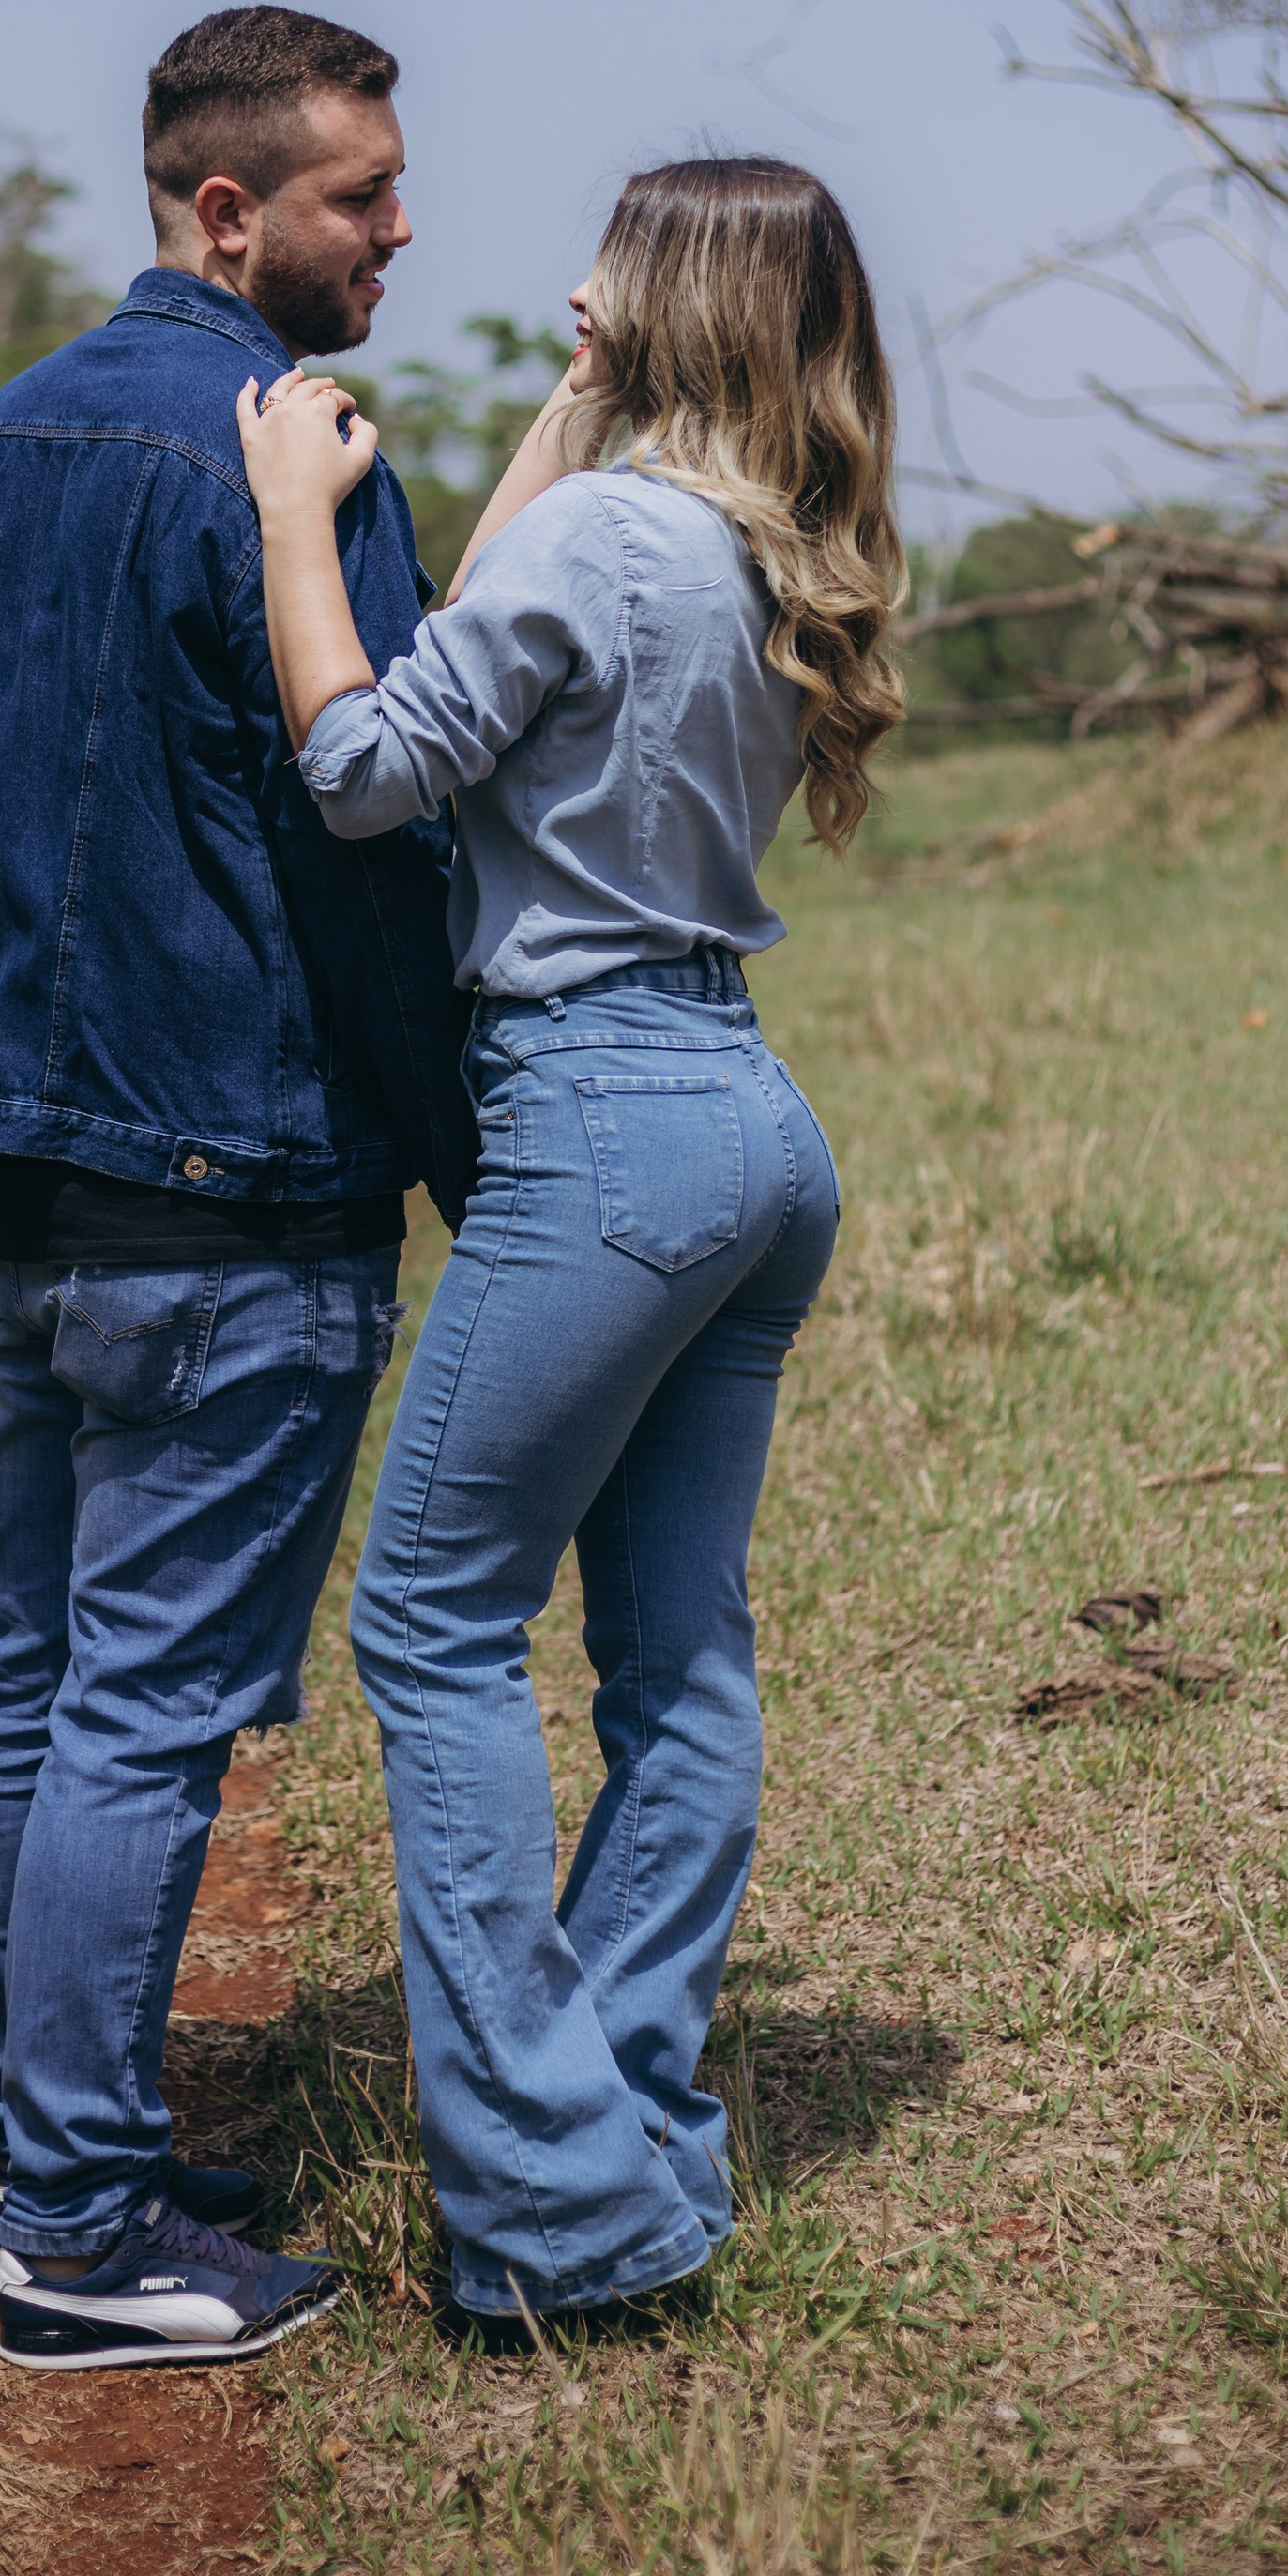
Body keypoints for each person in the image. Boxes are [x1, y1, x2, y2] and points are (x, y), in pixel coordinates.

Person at [235, 152, 903, 2326]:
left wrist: (283, 519)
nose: (568, 295)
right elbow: (529, 579)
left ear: (660, 300)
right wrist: (568, 394)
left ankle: (546, 2215)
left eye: (604, 273)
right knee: (678, 1669)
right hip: (744, 1126)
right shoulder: (737, 551)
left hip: (601, 1119)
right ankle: (621, 2128)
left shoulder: (610, 542)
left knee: (429, 1625)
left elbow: (366, 758)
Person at [0, 3, 474, 2371]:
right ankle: (91, 2249)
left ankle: (5, 2146)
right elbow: (372, 843)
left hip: (15, 1177)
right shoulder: (291, 455)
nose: (397, 230)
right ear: (227, 213)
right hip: (228, 1186)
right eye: (359, 195)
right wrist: (460, 1156)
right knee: (137, 1704)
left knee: (22, 1662)